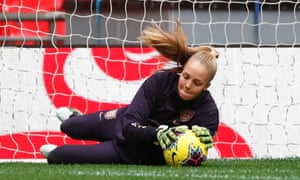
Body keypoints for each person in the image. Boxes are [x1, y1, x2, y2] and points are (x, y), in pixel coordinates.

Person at [40, 21, 220, 165]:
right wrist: (157, 133)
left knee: (58, 156)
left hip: (131, 154)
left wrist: (205, 139)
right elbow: (129, 124)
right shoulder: (159, 82)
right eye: (186, 76)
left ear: (206, 86)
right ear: (182, 71)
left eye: (196, 83)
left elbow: (197, 152)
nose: (187, 85)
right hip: (122, 123)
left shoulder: (208, 112)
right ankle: (73, 118)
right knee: (70, 127)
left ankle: (60, 150)